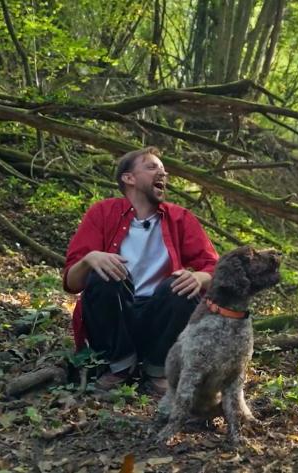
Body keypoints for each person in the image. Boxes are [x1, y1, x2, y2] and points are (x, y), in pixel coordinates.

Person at [62, 146, 218, 394]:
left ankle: (158, 369)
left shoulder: (181, 218)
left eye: (164, 170)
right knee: (105, 275)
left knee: (179, 285)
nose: (163, 174)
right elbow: (72, 283)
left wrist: (199, 276)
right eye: (152, 167)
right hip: (113, 320)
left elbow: (215, 267)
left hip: (159, 321)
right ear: (129, 178)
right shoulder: (102, 212)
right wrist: (90, 258)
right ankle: (120, 366)